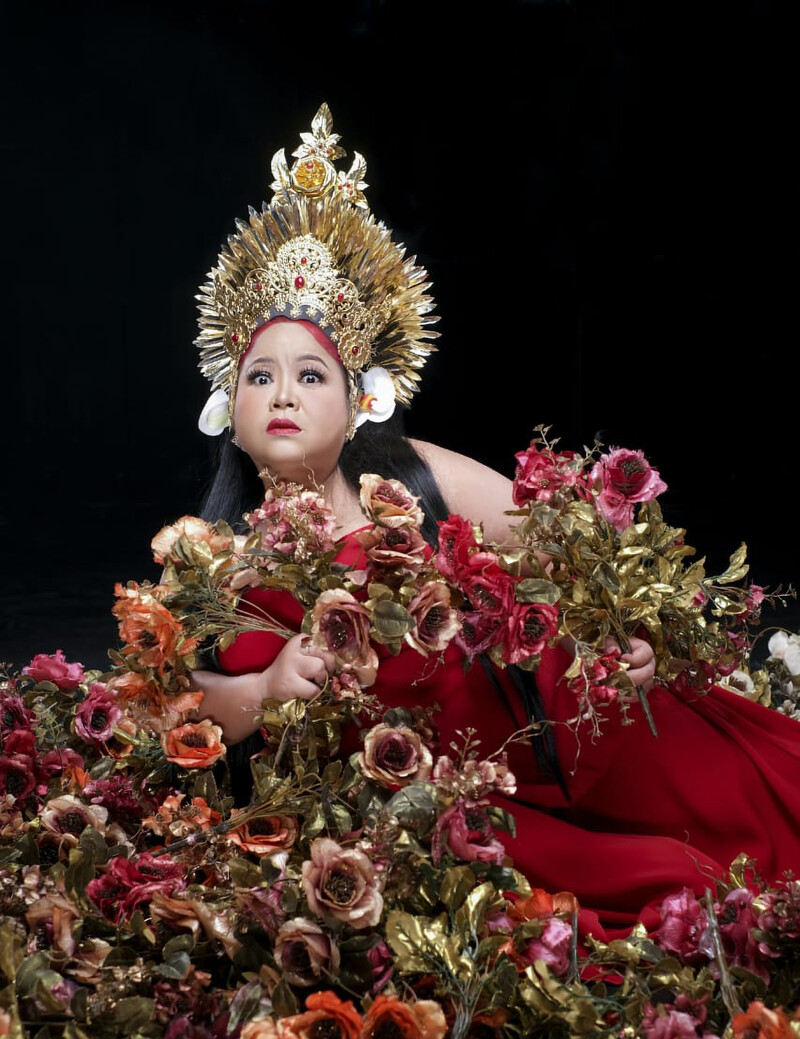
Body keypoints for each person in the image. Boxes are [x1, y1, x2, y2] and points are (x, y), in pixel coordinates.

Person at [189, 105, 800, 941]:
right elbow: (185, 708)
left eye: (310, 374)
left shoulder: (409, 478)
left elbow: (582, 536)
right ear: (229, 405)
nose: (285, 393)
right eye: (261, 375)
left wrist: (630, 631)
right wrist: (260, 690)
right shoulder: (216, 556)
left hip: (565, 753)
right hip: (451, 817)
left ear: (361, 401)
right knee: (652, 897)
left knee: (747, 811)